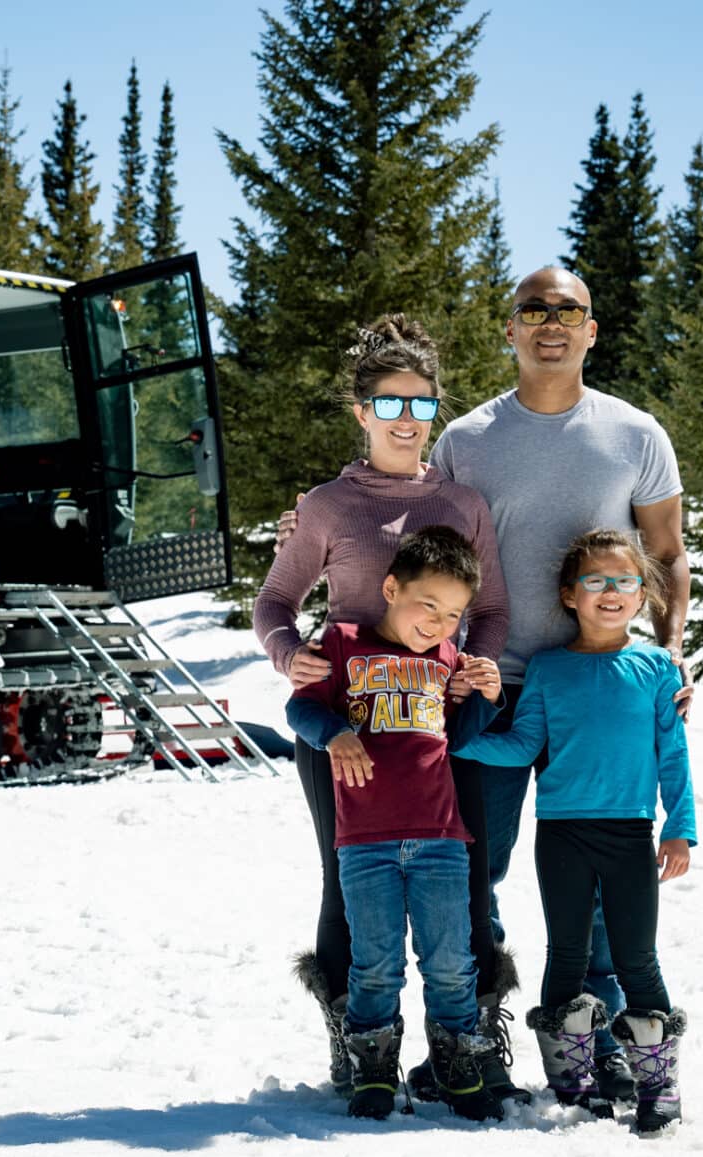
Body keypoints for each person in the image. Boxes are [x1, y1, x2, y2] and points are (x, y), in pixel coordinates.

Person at [282, 268, 693, 1105]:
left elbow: (670, 551)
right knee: (475, 869)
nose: (551, 324)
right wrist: (309, 525)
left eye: (567, 310)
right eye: (535, 310)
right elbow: (389, 496)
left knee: (609, 861)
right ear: (510, 328)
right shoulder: (468, 437)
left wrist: (672, 650)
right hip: (487, 692)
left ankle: (606, 1034)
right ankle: (477, 1032)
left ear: (592, 327)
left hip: (597, 686)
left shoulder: (637, 432)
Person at [252, 315, 521, 1108]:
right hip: (340, 729)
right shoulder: (329, 506)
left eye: (422, 405)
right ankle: (356, 1036)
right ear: (362, 411)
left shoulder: (462, 501)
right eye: (390, 404)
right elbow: (274, 600)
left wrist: (481, 667)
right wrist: (285, 650)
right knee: (346, 881)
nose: (408, 421)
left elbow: (495, 609)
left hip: (438, 728)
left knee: (464, 880)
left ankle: (466, 1040)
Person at [454, 528, 695, 1133]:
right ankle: (574, 1079)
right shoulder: (547, 668)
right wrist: (462, 742)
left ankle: (657, 1083)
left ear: (644, 594)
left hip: (630, 836)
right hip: (561, 834)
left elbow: (673, 755)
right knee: (567, 954)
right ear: (569, 594)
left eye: (624, 581)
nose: (610, 592)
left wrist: (680, 827)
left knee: (638, 958)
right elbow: (525, 745)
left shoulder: (657, 669)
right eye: (595, 581)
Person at [285, 526, 506, 1120]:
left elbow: (457, 739)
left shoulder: (447, 660)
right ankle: (374, 1069)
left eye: (454, 614)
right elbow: (298, 707)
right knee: (375, 962)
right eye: (427, 605)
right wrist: (334, 734)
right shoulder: (343, 643)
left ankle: (457, 1064)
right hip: (364, 842)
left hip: (440, 840)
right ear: (390, 588)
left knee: (450, 962)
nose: (438, 623)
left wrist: (483, 698)